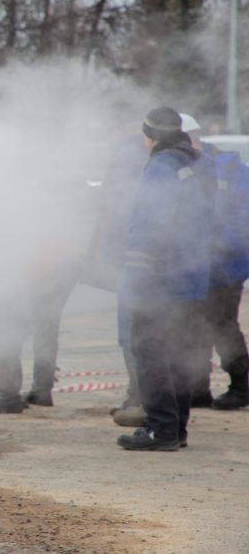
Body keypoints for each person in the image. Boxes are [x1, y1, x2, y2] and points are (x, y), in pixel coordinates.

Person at [117, 107, 216, 451]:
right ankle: (176, 429)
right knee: (179, 354)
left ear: (152, 136)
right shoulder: (198, 163)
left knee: (150, 351)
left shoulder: (161, 167)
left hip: (160, 281)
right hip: (191, 277)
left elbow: (149, 224)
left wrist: (138, 281)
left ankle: (161, 429)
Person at [80, 122, 149, 427]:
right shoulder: (148, 165)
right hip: (138, 267)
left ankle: (143, 402)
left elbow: (111, 215)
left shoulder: (129, 166)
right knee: (141, 335)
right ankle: (142, 398)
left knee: (135, 335)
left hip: (135, 268)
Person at [182, 114, 249, 411]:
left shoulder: (231, 169)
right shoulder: (187, 166)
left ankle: (241, 386)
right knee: (194, 324)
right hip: (198, 265)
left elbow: (242, 218)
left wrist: (216, 246)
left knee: (222, 325)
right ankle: (198, 388)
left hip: (226, 266)